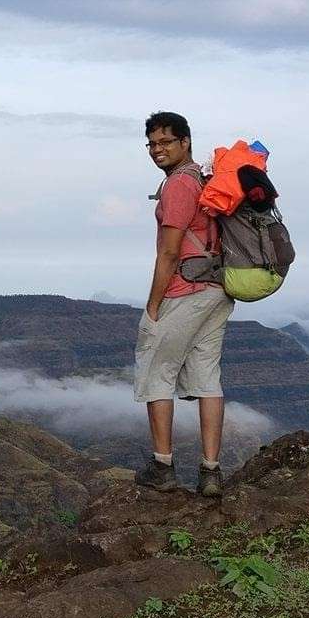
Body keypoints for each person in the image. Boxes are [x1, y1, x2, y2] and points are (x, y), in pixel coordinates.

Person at [133, 111, 233, 495]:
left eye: (165, 142)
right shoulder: (205, 179)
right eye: (151, 144)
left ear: (185, 142)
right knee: (207, 378)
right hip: (217, 289)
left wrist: (153, 305)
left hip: (184, 291)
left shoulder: (178, 185)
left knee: (156, 372)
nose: (157, 150)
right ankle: (211, 472)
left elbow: (170, 252)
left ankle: (162, 467)